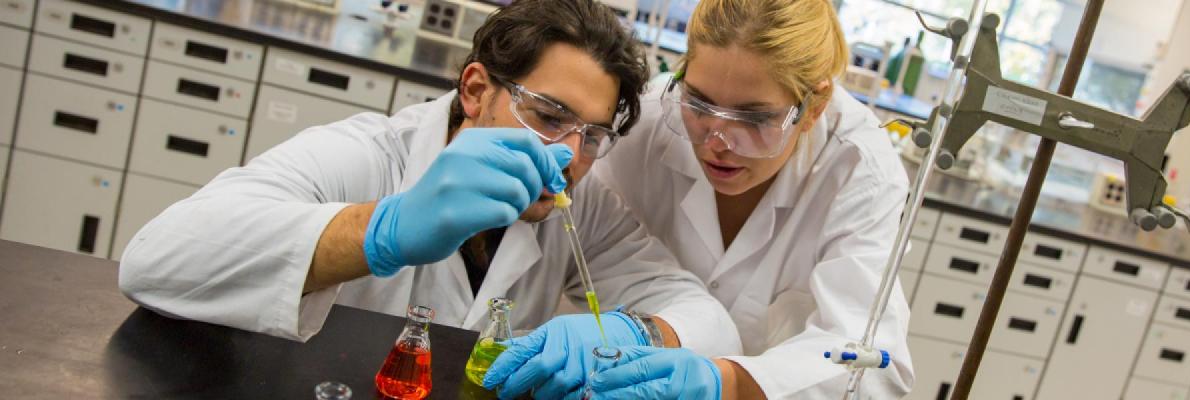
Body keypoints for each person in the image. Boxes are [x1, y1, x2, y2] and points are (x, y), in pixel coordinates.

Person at [117, 0, 741, 379]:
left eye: (594, 135)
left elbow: (709, 320)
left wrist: (639, 334)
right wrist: (380, 231)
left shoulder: (580, 206)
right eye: (549, 116)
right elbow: (157, 259)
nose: (570, 156)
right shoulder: (369, 156)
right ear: (475, 90)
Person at [486, 0, 916, 398]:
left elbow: (875, 366)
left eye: (754, 118)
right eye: (700, 104)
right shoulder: (646, 122)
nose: (717, 142)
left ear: (814, 107)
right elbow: (573, 237)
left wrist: (724, 383)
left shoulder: (859, 169)